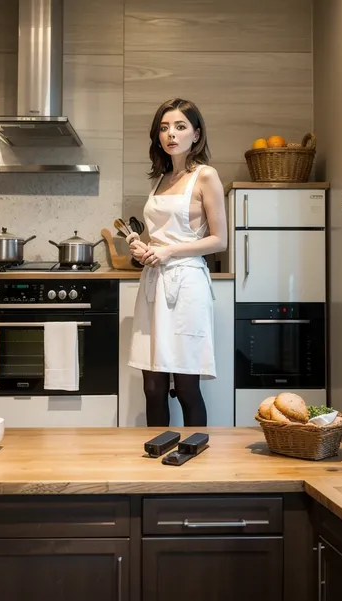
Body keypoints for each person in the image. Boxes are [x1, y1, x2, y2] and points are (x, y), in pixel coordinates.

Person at [127, 98, 227, 427]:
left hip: (187, 286)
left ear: (196, 135)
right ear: (158, 137)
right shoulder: (159, 180)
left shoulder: (205, 176)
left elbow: (219, 240)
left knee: (186, 387)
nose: (171, 134)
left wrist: (169, 252)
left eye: (180, 127)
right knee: (152, 386)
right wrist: (144, 249)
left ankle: (195, 458)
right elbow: (161, 238)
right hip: (153, 283)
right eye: (164, 127)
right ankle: (158, 456)